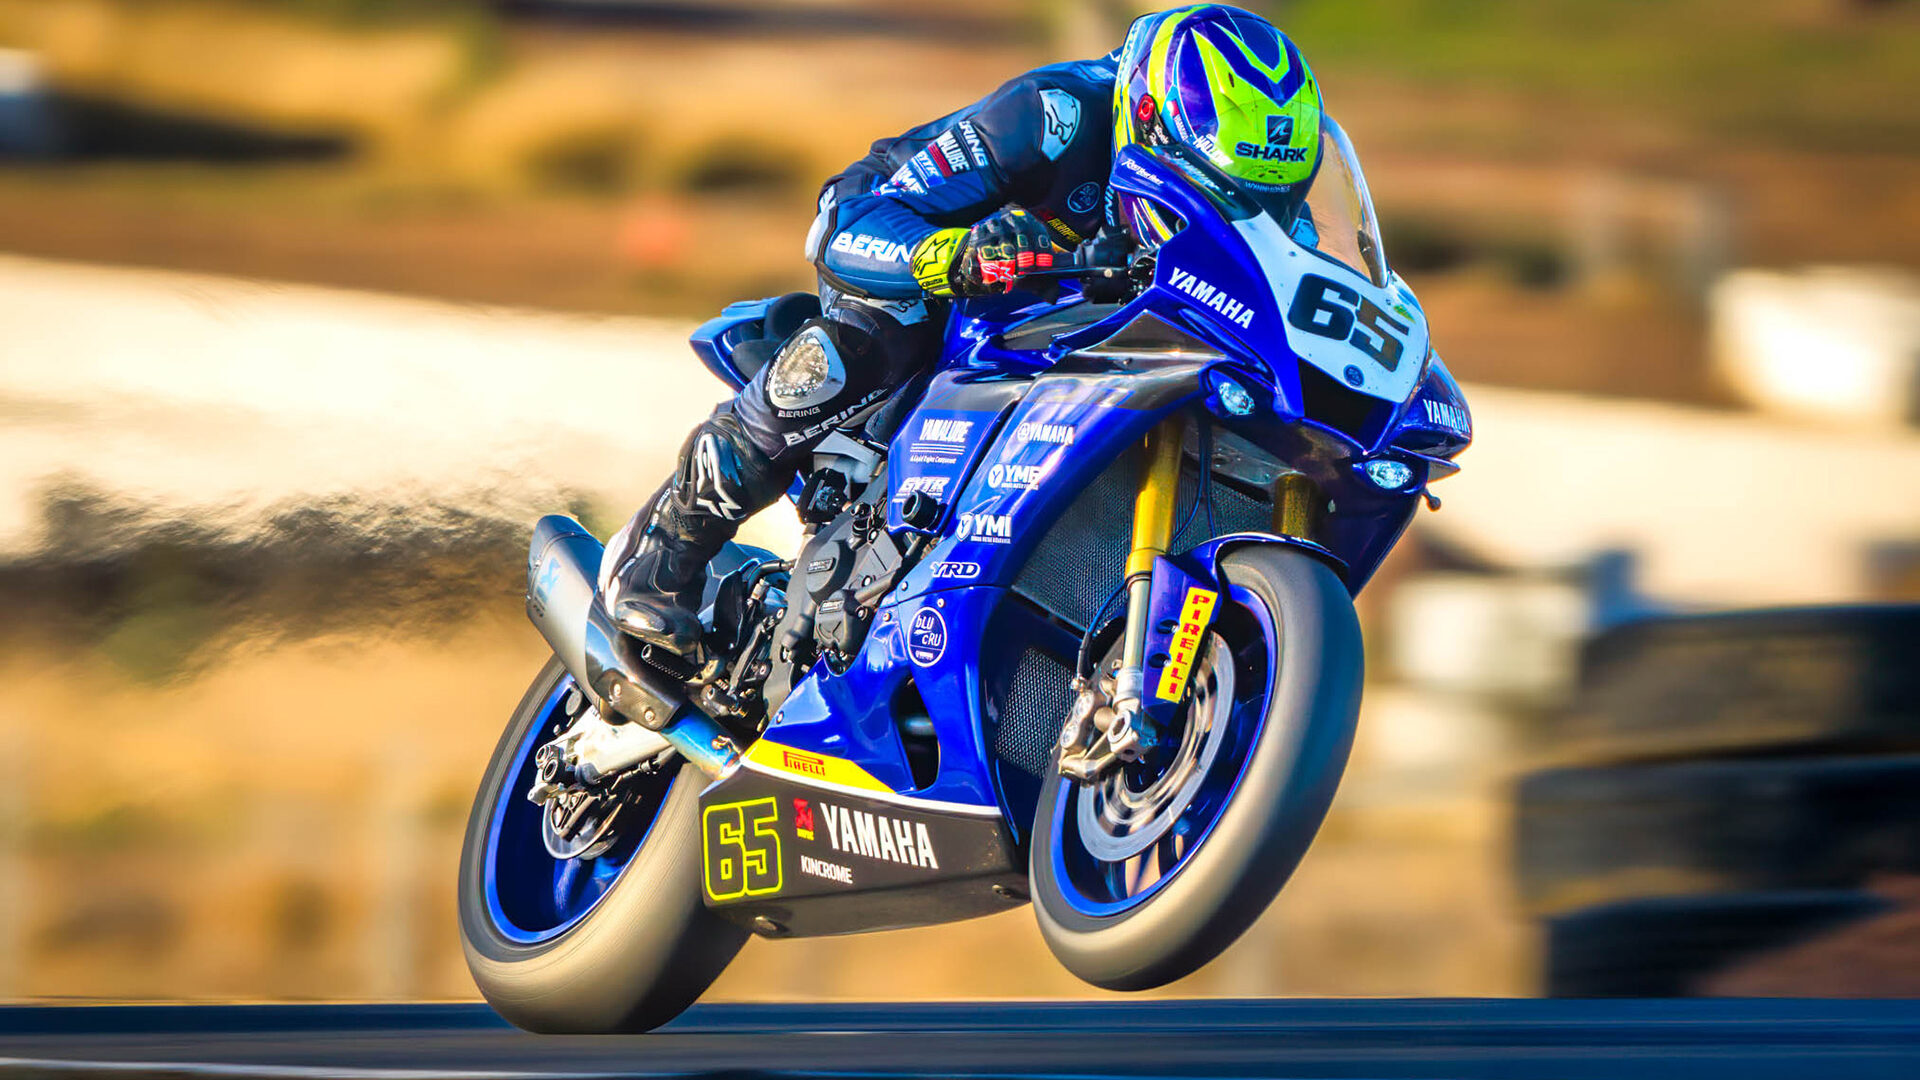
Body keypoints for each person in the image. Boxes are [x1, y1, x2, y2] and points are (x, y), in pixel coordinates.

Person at [598, 4, 1327, 658]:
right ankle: (660, 555)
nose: (1237, 210)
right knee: (868, 343)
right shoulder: (1054, 115)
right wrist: (952, 254)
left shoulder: (1279, 214)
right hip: (917, 239)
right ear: (1149, 116)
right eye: (1216, 187)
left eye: (1261, 196)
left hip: (1093, 320)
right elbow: (855, 222)